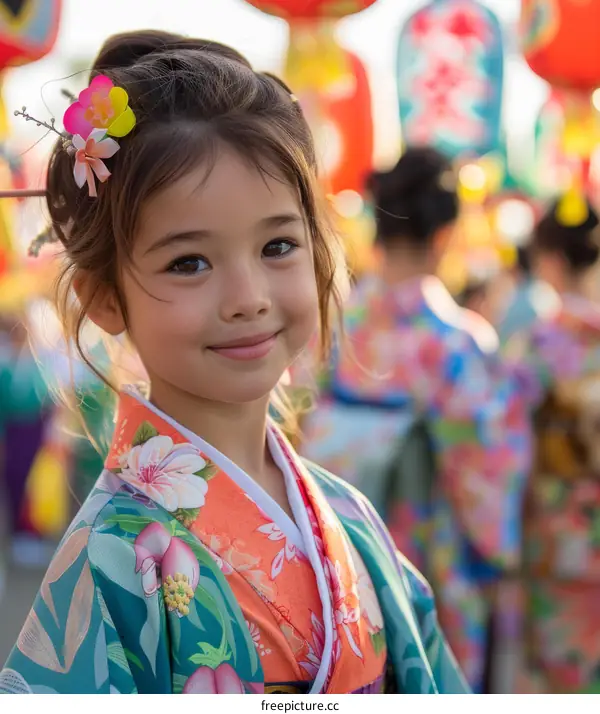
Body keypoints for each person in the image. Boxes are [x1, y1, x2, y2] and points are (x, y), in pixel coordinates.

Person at [0, 31, 468, 695]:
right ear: (103, 297)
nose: (248, 299)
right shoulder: (112, 559)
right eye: (189, 262)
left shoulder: (351, 519)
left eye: (278, 245)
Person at [299, 147, 532, 691]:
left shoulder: (331, 325)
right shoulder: (456, 342)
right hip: (429, 556)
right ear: (446, 233)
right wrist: (500, 551)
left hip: (335, 550)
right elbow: (488, 466)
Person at [503, 196, 600, 693]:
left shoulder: (540, 345)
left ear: (553, 261)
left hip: (559, 533)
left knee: (564, 675)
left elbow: (504, 443)